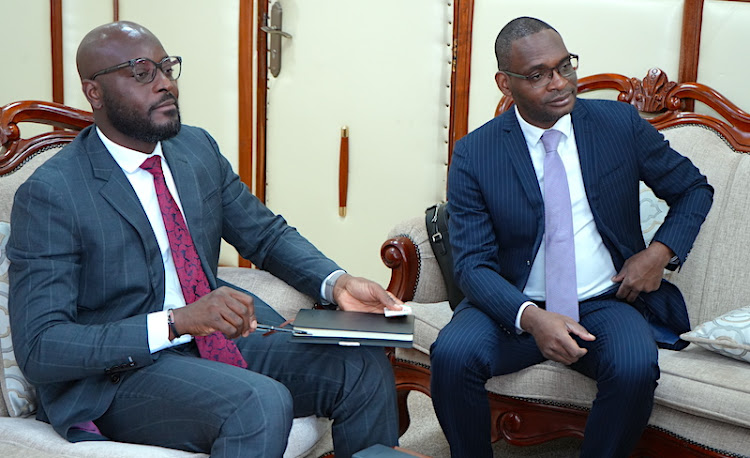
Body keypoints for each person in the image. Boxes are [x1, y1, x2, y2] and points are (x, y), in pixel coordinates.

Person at [8, 21, 401, 458]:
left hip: (211, 338)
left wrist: (337, 282)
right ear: (94, 92)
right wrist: (178, 321)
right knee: (258, 403)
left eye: (167, 67)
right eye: (141, 73)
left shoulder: (195, 150)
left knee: (360, 363)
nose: (165, 85)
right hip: (120, 375)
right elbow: (41, 346)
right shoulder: (53, 193)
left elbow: (265, 235)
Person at [429, 17, 713, 458]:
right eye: (539, 75)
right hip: (513, 303)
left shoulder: (619, 124)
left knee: (636, 367)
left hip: (603, 299)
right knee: (451, 356)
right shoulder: (474, 153)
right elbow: (472, 266)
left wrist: (658, 254)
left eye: (566, 66)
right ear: (505, 83)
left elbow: (693, 188)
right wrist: (531, 317)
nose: (559, 83)